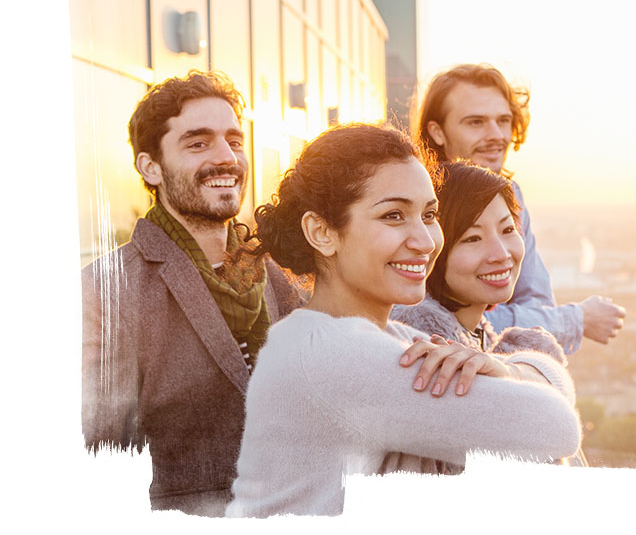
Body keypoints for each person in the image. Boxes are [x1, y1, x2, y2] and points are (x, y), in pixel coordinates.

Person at [226, 124, 581, 517]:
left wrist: (506, 370)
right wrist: (521, 373)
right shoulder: (337, 356)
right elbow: (557, 428)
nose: (426, 241)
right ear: (322, 232)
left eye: (429, 214)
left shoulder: (387, 336)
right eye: (394, 216)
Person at [81, 70, 304, 516]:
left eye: (234, 141)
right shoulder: (105, 292)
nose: (226, 158)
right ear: (151, 167)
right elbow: (99, 466)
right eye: (198, 143)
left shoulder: (274, 278)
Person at [414, 63, 625, 354]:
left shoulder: (512, 195)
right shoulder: (417, 205)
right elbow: (431, 318)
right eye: (476, 122)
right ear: (437, 132)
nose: (496, 134)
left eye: (503, 120)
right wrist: (574, 319)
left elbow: (536, 303)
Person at [392, 161, 565, 364]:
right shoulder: (423, 344)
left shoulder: (473, 331)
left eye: (508, 230)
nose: (501, 254)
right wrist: (538, 360)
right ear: (433, 245)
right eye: (473, 238)